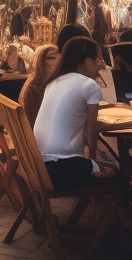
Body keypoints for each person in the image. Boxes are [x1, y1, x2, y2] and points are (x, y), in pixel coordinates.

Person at [33, 37, 112, 190]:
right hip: (63, 169)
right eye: (97, 59)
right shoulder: (89, 85)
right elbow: (91, 131)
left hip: (39, 167)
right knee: (117, 172)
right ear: (87, 61)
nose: (101, 65)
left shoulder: (53, 82)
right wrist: (93, 160)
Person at [19, 44, 60, 126]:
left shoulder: (37, 80)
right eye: (51, 58)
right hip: (37, 134)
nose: (56, 63)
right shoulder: (34, 88)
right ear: (41, 62)